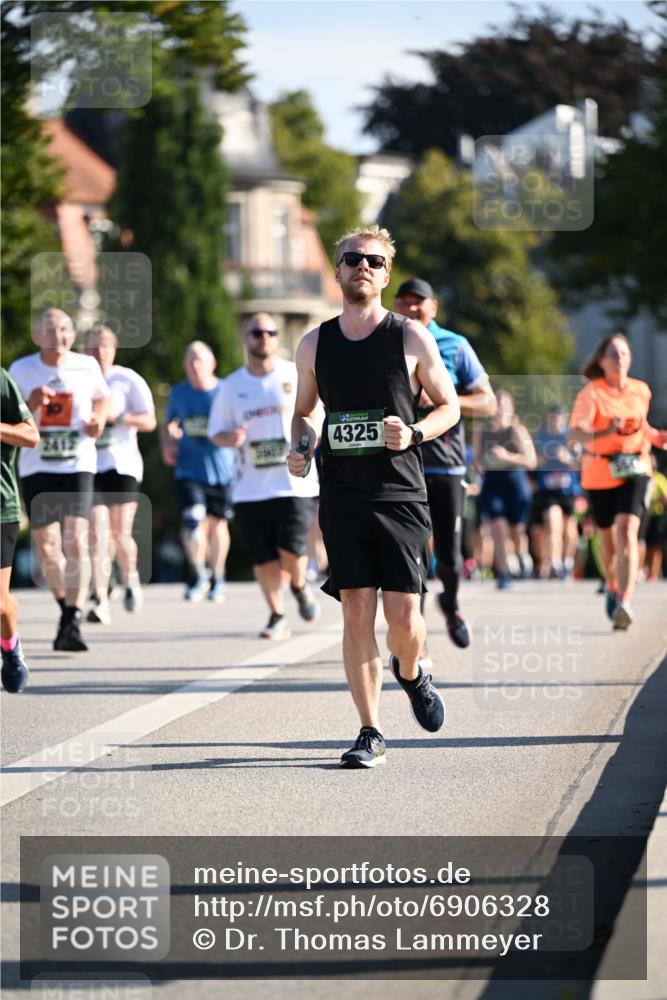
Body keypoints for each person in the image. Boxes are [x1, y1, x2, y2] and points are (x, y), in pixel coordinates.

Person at [287, 226, 460, 769]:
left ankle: (411, 672)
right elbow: (305, 411)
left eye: (374, 261)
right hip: (342, 494)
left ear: (385, 274)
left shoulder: (409, 336)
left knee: (404, 617)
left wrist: (413, 433)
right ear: (337, 270)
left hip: (401, 492)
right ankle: (370, 731)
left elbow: (449, 406)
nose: (363, 267)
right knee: (356, 609)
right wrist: (301, 444)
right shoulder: (314, 342)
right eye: (352, 259)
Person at [394, 278, 495, 648]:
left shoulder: (456, 345)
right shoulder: (386, 343)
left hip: (447, 466)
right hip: (402, 467)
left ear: (433, 307)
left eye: (418, 303)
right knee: (413, 555)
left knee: (450, 556)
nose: (411, 309)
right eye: (403, 303)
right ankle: (413, 633)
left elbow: (488, 402)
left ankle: (450, 605)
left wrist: (445, 401)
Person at [209, 313, 321, 639]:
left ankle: (299, 586)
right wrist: (229, 438)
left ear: (278, 338)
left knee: (293, 553)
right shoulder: (231, 386)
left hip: (293, 483)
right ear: (246, 338)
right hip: (249, 488)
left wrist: (309, 442)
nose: (264, 338)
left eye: (271, 332)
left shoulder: (294, 374)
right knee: (263, 558)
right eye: (257, 332)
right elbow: (217, 431)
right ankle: (277, 614)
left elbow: (317, 414)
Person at [9, 309, 110, 651]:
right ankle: (68, 609)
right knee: (47, 548)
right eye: (51, 329)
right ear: (37, 336)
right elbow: (8, 421)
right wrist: (31, 402)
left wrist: (98, 418)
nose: (60, 335)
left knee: (76, 541)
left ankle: (72, 618)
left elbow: (102, 397)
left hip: (77, 463)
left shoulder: (87, 365)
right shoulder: (21, 370)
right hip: (38, 467)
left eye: (66, 328)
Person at [569, 333, 667, 628]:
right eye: (613, 354)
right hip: (600, 472)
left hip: (636, 467)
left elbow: (642, 426)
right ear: (602, 360)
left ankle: (624, 600)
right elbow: (576, 434)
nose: (619, 359)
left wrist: (655, 437)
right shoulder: (592, 393)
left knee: (628, 531)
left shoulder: (641, 391)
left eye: (624, 354)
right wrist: (605, 433)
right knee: (608, 541)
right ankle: (612, 584)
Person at [84, 325, 156, 623]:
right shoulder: (78, 378)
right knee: (96, 534)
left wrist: (119, 417)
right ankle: (99, 599)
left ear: (114, 351)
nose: (99, 353)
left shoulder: (127, 379)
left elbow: (150, 421)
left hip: (123, 464)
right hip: (88, 464)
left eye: (105, 347)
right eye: (93, 347)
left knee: (119, 532)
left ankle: (130, 577)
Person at [161, 342, 235, 603]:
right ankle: (197, 573)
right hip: (188, 469)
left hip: (221, 470)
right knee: (193, 519)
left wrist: (235, 437)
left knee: (217, 524)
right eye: (190, 360)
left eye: (199, 360)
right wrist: (168, 444)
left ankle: (218, 575)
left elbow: (240, 424)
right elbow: (169, 423)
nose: (194, 365)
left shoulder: (225, 391)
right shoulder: (179, 393)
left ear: (212, 363)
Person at [1, 368, 40, 692]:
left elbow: (30, 434)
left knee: (0, 604)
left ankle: (11, 647)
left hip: (1, 507)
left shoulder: (1, 380)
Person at [474, 390, 537, 589]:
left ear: (511, 410)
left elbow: (531, 461)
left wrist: (506, 456)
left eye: (504, 405)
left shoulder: (517, 431)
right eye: (497, 405)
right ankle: (503, 574)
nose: (499, 409)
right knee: (498, 528)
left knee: (517, 531)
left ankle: (521, 556)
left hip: (515, 482)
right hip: (492, 483)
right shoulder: (481, 431)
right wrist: (480, 464)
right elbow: (476, 458)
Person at [533, 404, 581, 579]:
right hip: (548, 489)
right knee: (552, 525)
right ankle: (555, 563)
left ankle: (567, 561)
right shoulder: (541, 437)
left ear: (564, 419)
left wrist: (566, 457)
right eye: (551, 419)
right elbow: (534, 462)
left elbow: (580, 465)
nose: (554, 423)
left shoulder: (570, 437)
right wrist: (542, 459)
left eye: (557, 419)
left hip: (568, 489)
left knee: (569, 528)